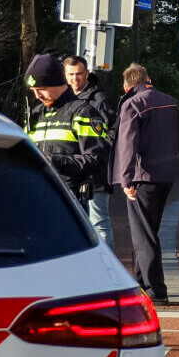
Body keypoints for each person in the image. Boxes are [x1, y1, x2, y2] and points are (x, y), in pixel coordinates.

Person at [115, 63, 179, 303]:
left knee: (143, 236)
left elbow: (127, 144)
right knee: (149, 230)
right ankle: (142, 283)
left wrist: (126, 178)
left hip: (143, 177)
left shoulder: (132, 103)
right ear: (147, 78)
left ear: (127, 85)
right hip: (167, 174)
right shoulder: (169, 101)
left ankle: (155, 289)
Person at [24, 53, 109, 227]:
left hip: (70, 203)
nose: (37, 95)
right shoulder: (36, 114)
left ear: (57, 83)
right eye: (33, 91)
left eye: (41, 88)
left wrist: (54, 161)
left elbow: (97, 159)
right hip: (36, 199)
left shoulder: (83, 113)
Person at [64, 55, 115, 244]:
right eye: (70, 74)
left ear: (87, 74)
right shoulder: (63, 101)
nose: (74, 79)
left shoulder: (98, 100)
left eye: (78, 74)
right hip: (72, 173)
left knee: (99, 223)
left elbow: (112, 133)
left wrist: (96, 152)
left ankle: (106, 270)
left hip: (95, 174)